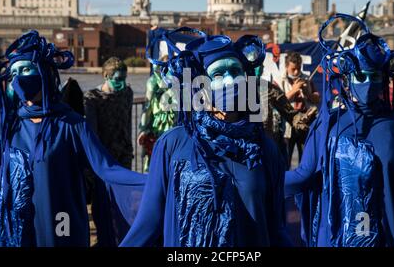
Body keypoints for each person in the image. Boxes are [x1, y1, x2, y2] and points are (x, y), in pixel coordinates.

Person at [120, 29, 290, 247]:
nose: (230, 81)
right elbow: (148, 223)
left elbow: (275, 228)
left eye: (235, 71)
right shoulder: (173, 144)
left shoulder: (264, 148)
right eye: (218, 74)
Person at [285, 14, 394, 247]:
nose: (367, 83)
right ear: (347, 78)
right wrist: (263, 179)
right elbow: (303, 176)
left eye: (374, 76)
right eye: (360, 75)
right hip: (336, 235)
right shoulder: (327, 125)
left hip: (387, 237)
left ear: (384, 78)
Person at [0, 31, 145, 247]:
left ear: (43, 72)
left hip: (61, 225)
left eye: (26, 70)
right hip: (17, 231)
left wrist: (155, 180)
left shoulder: (72, 125)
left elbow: (108, 170)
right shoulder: (6, 127)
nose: (19, 79)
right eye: (14, 73)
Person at [83, 57, 134, 246]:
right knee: (102, 203)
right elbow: (92, 133)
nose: (121, 84)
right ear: (106, 76)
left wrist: (129, 148)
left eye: (124, 78)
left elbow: (128, 122)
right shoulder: (92, 98)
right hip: (103, 160)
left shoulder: (127, 93)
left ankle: (123, 238)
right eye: (117, 79)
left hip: (123, 155)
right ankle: (103, 240)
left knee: (125, 202)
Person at [138, 55, 177, 172]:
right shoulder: (153, 83)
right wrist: (143, 129)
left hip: (174, 128)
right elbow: (147, 107)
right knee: (155, 163)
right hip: (157, 128)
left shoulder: (179, 82)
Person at [282, 52, 319, 168]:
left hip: (305, 122)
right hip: (288, 124)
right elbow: (277, 101)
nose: (297, 72)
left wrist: (307, 93)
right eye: (293, 69)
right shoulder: (279, 80)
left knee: (305, 158)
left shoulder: (306, 79)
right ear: (286, 67)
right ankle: (285, 184)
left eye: (299, 69)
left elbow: (316, 99)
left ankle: (304, 184)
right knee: (286, 158)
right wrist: (294, 90)